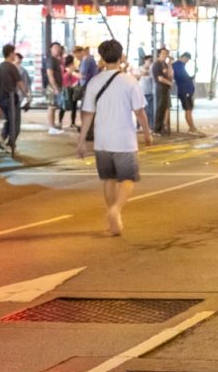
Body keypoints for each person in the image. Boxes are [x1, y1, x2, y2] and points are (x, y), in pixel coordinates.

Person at [78, 39, 152, 236]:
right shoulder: (129, 81)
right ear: (121, 57)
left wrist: (82, 141)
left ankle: (114, 225)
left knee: (108, 179)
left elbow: (87, 114)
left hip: (102, 140)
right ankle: (116, 209)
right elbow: (140, 111)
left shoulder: (94, 82)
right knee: (127, 178)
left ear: (102, 58)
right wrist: (147, 133)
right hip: (124, 140)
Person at [0, 44, 28, 152]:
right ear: (11, 53)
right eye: (14, 53)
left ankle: (2, 138)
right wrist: (27, 96)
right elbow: (20, 83)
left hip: (1, 98)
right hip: (12, 99)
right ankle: (10, 144)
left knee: (9, 120)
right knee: (15, 123)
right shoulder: (12, 67)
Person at [172, 52, 202, 135]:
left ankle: (192, 127)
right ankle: (192, 128)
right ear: (183, 57)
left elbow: (186, 77)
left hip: (187, 90)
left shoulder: (182, 66)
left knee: (189, 109)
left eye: (188, 60)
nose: (187, 61)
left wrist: (192, 75)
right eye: (186, 59)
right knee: (188, 109)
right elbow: (182, 77)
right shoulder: (177, 65)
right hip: (184, 91)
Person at [151, 48, 174, 135]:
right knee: (160, 109)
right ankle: (156, 129)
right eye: (163, 53)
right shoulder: (157, 65)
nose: (165, 55)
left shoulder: (164, 64)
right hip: (160, 88)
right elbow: (160, 78)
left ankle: (161, 128)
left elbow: (169, 75)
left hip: (165, 88)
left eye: (166, 54)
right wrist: (170, 83)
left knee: (164, 108)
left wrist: (170, 64)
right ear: (159, 54)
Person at [45, 42, 65, 135]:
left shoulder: (57, 60)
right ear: (51, 49)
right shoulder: (51, 60)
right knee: (51, 107)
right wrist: (55, 87)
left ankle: (52, 126)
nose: (57, 49)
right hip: (52, 87)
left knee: (53, 107)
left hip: (57, 86)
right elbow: (50, 74)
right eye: (55, 47)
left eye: (58, 47)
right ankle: (51, 127)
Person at [58, 54, 81, 129]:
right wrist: (69, 72)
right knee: (64, 105)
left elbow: (78, 77)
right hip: (66, 89)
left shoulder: (75, 68)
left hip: (73, 88)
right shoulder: (64, 69)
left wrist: (74, 72)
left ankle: (72, 122)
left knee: (74, 106)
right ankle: (60, 122)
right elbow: (63, 79)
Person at [138, 54, 155, 129]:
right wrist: (142, 73)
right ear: (145, 60)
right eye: (149, 61)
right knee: (141, 110)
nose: (150, 62)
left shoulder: (152, 70)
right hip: (141, 92)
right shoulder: (139, 68)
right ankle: (140, 126)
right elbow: (136, 77)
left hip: (149, 92)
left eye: (151, 61)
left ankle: (150, 126)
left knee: (150, 111)